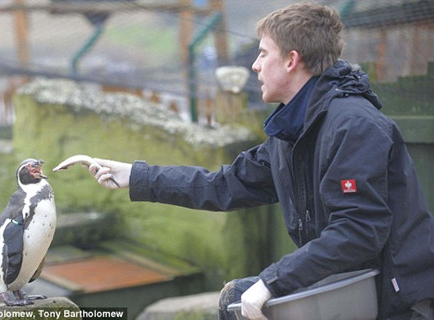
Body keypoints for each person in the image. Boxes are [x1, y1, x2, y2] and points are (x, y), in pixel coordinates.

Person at [84, 2, 434, 319]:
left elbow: (357, 232)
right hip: (348, 284)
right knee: (236, 299)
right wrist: (136, 176)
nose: (254, 65)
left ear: (291, 60)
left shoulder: (354, 126)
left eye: (263, 53)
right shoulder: (291, 130)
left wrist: (272, 281)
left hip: (394, 298)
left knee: (243, 297)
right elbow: (224, 186)